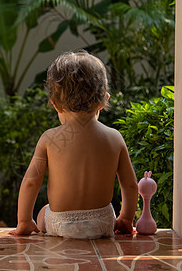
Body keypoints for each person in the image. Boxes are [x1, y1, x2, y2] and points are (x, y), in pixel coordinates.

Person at [9, 50, 138, 239]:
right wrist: (126, 219)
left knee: (44, 211)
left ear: (55, 104)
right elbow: (130, 184)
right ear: (104, 101)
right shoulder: (115, 138)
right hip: (102, 223)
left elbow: (30, 182)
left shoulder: (49, 139)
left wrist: (24, 221)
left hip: (61, 224)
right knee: (108, 212)